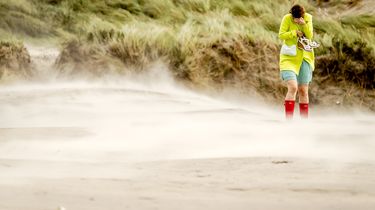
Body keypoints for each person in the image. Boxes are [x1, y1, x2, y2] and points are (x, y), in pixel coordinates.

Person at [278, 4, 315, 119]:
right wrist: (294, 33)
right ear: (292, 15)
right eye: (296, 18)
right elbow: (281, 35)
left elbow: (310, 36)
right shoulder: (287, 18)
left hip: (305, 57)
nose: (298, 20)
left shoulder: (308, 18)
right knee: (293, 87)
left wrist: (304, 25)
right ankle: (289, 121)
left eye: (300, 17)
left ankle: (304, 122)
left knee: (303, 90)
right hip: (289, 57)